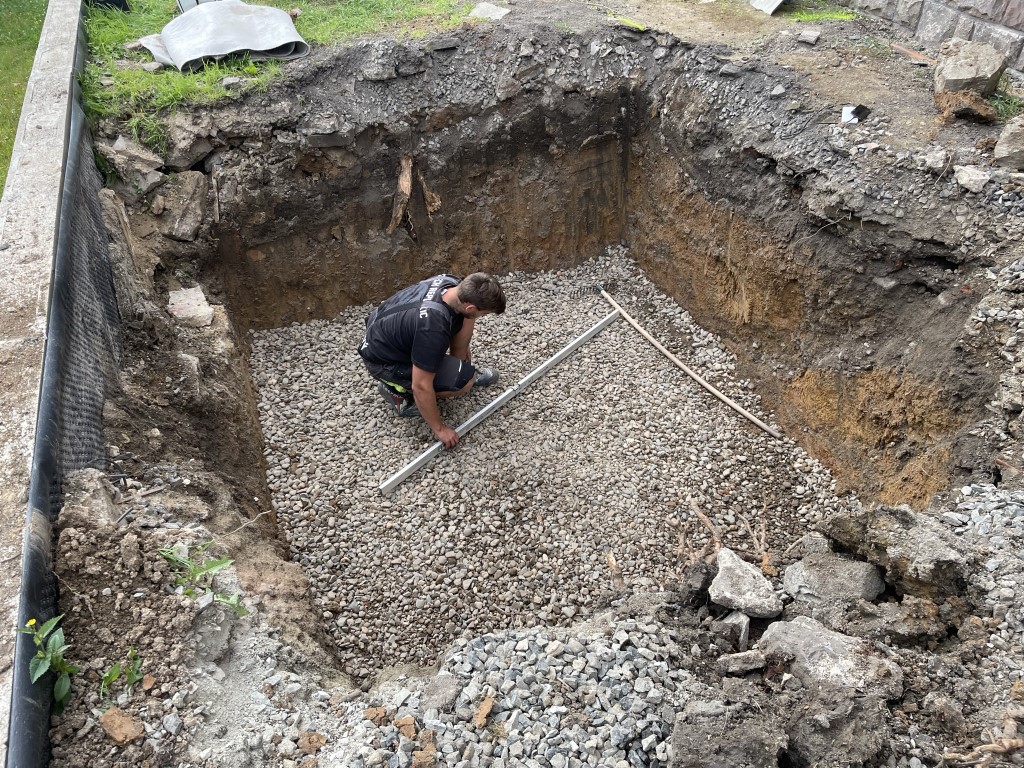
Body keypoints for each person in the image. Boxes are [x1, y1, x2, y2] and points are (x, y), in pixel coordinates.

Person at [358, 272, 506, 448]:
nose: (483, 316)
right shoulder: (432, 328)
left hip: (388, 331)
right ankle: (395, 390)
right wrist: (440, 429)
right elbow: (421, 385)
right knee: (463, 384)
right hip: (384, 361)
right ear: (470, 306)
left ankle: (459, 369)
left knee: (466, 330)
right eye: (484, 313)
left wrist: (460, 362)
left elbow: (465, 318)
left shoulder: (452, 283)